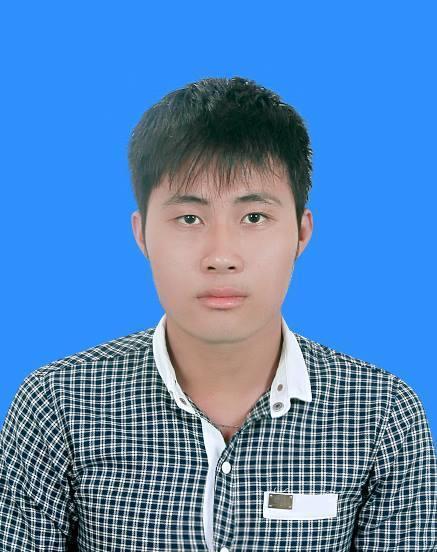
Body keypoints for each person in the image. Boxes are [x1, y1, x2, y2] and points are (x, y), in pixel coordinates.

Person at [0, 76, 435, 551]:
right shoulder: (59, 404)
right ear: (142, 234)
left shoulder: (380, 413)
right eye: (190, 218)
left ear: (301, 232)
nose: (221, 256)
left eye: (254, 217)